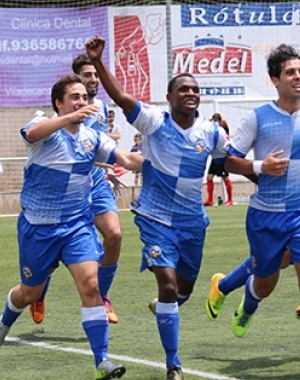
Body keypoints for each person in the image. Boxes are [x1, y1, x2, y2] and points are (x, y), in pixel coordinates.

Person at [87, 36, 229, 380]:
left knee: (183, 290)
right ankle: (173, 364)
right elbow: (121, 98)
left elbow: (229, 164)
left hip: (193, 223)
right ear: (170, 97)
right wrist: (100, 61)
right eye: (183, 89)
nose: (190, 93)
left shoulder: (212, 133)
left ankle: (167, 307)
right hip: (154, 219)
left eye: (195, 89)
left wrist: (261, 169)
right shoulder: (153, 120)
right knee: (166, 285)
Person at [0, 74, 143, 380]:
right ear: (58, 103)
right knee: (28, 294)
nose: (82, 102)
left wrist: (158, 158)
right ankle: (5, 321)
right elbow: (31, 133)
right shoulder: (44, 128)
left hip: (76, 226)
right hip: (38, 228)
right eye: (74, 97)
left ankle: (102, 361)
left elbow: (123, 156)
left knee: (91, 286)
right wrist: (69, 118)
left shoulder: (92, 137)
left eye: (84, 97)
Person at [223, 44, 300, 380]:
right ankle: (248, 304)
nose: (299, 77)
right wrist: (261, 165)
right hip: (265, 216)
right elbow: (227, 160)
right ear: (275, 80)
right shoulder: (257, 118)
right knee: (265, 283)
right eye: (290, 72)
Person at [30, 54, 124, 325]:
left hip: (95, 184)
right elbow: (67, 152)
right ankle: (38, 291)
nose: (93, 80)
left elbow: (96, 144)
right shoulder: (60, 116)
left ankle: (103, 297)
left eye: (95, 76)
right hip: (67, 189)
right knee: (54, 251)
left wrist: (107, 168)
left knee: (114, 234)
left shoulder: (102, 108)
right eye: (87, 75)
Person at [203, 113, 234, 206]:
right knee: (209, 177)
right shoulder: (212, 129)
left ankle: (230, 200)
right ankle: (210, 200)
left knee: (225, 177)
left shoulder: (221, 131)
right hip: (215, 157)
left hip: (222, 157)